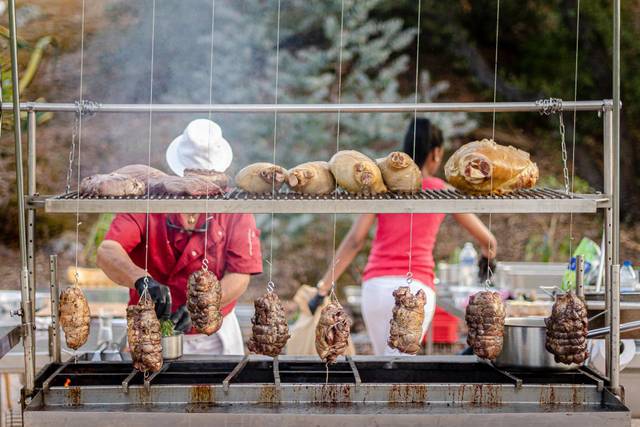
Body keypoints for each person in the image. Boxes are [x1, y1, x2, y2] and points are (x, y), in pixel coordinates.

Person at [311, 118, 497, 356]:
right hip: (416, 288)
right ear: (436, 153)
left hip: (376, 288)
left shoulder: (383, 187)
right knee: (399, 368)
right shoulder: (441, 191)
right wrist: (486, 258)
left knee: (383, 367)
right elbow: (489, 242)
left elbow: (355, 240)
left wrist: (323, 288)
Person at [97, 119, 262, 355]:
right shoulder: (149, 200)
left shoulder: (232, 206)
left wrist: (202, 306)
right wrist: (140, 280)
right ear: (181, 171)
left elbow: (239, 275)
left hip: (215, 335)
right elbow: (108, 250)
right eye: (194, 178)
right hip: (149, 332)